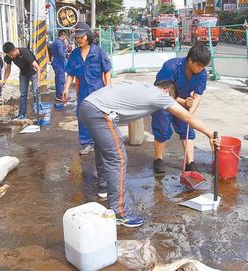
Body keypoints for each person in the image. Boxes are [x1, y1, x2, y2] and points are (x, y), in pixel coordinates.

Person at [79, 80, 219, 227]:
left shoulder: (142, 86)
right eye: (171, 100)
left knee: (103, 150)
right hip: (99, 112)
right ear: (167, 91)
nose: (168, 106)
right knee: (117, 158)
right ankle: (120, 213)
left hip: (87, 105)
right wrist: (210, 134)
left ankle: (103, 188)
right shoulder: (160, 95)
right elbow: (188, 117)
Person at [151, 44, 210, 174]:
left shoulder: (202, 73)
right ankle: (158, 159)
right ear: (190, 60)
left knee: (188, 130)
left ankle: (190, 163)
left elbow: (198, 95)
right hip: (164, 102)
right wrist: (183, 102)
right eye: (199, 65)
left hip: (182, 101)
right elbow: (163, 93)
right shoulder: (171, 67)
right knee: (162, 130)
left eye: (204, 66)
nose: (201, 69)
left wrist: (190, 113)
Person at [62, 22, 112, 155]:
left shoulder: (98, 51)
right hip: (83, 90)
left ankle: (101, 141)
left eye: (81, 37)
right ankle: (86, 143)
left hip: (98, 89)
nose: (79, 39)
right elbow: (71, 73)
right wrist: (66, 88)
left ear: (88, 36)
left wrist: (108, 87)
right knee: (82, 115)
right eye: (77, 37)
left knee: (101, 116)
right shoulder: (75, 54)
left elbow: (107, 70)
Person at [2, 42, 41, 120]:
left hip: (33, 73)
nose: (11, 56)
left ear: (15, 50)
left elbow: (38, 68)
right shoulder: (8, 56)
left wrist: (38, 81)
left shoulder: (25, 52)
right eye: (9, 55)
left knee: (35, 92)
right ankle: (22, 114)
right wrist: (4, 80)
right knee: (23, 94)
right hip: (23, 73)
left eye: (11, 54)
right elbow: (8, 69)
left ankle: (38, 112)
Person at [52, 30, 68, 101]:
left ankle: (58, 95)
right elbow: (61, 53)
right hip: (59, 64)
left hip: (57, 63)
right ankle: (60, 96)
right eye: (65, 36)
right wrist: (67, 56)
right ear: (63, 35)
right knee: (61, 80)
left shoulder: (57, 41)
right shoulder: (59, 43)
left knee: (58, 79)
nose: (65, 38)